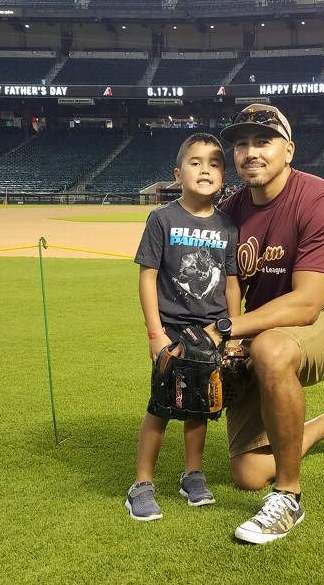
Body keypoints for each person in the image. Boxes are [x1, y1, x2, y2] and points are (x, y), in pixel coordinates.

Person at [204, 104, 324, 544]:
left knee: (272, 348)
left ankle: (289, 497)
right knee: (248, 472)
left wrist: (228, 329)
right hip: (252, 335)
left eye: (263, 141)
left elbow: (306, 304)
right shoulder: (229, 211)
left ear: (289, 150)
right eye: (241, 143)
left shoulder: (320, 201)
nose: (250, 152)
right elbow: (222, 290)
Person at [126, 132, 241, 522]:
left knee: (198, 407)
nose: (204, 169)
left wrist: (233, 333)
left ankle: (192, 474)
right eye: (195, 162)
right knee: (160, 406)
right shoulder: (162, 218)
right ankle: (142, 483)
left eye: (213, 163)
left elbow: (230, 283)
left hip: (209, 333)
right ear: (177, 173)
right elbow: (147, 278)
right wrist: (154, 334)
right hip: (171, 330)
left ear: (223, 177)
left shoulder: (228, 226)